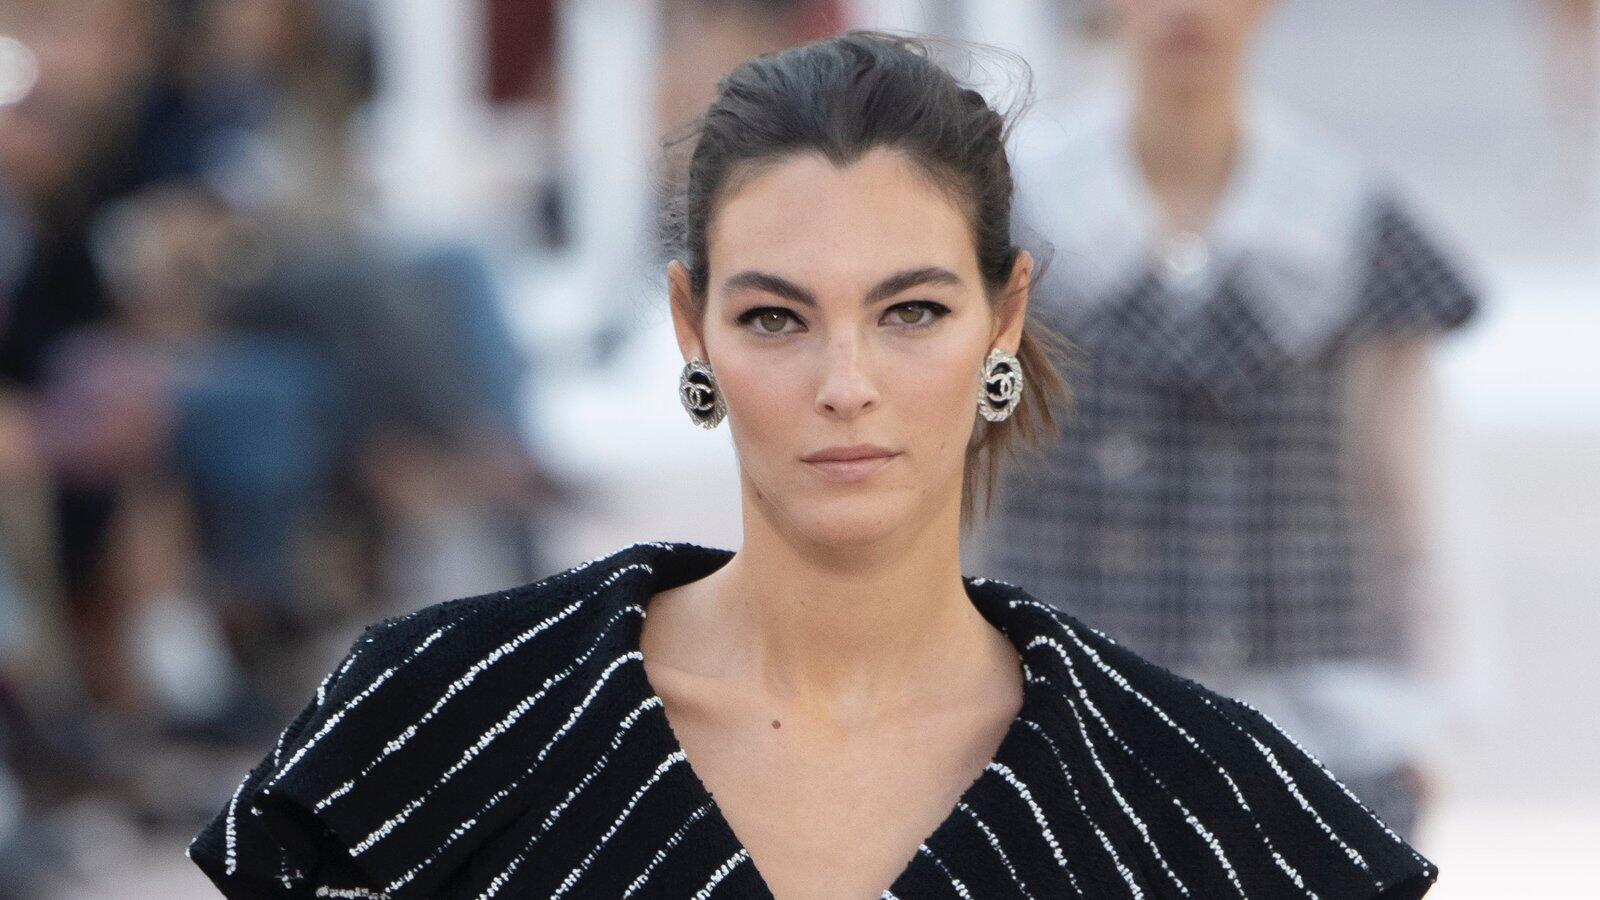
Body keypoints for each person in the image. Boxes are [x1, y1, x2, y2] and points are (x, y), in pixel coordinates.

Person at [188, 31, 1438, 898]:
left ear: (1004, 321)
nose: (847, 383)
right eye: (777, 317)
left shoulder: (1195, 804)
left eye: (911, 312)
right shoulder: (442, 721)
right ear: (693, 328)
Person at [984, 0, 1481, 842]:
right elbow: (952, 481)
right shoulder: (1012, 212)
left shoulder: (1344, 214)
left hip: (1312, 740)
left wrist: (1435, 717)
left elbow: (1416, 493)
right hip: (1060, 730)